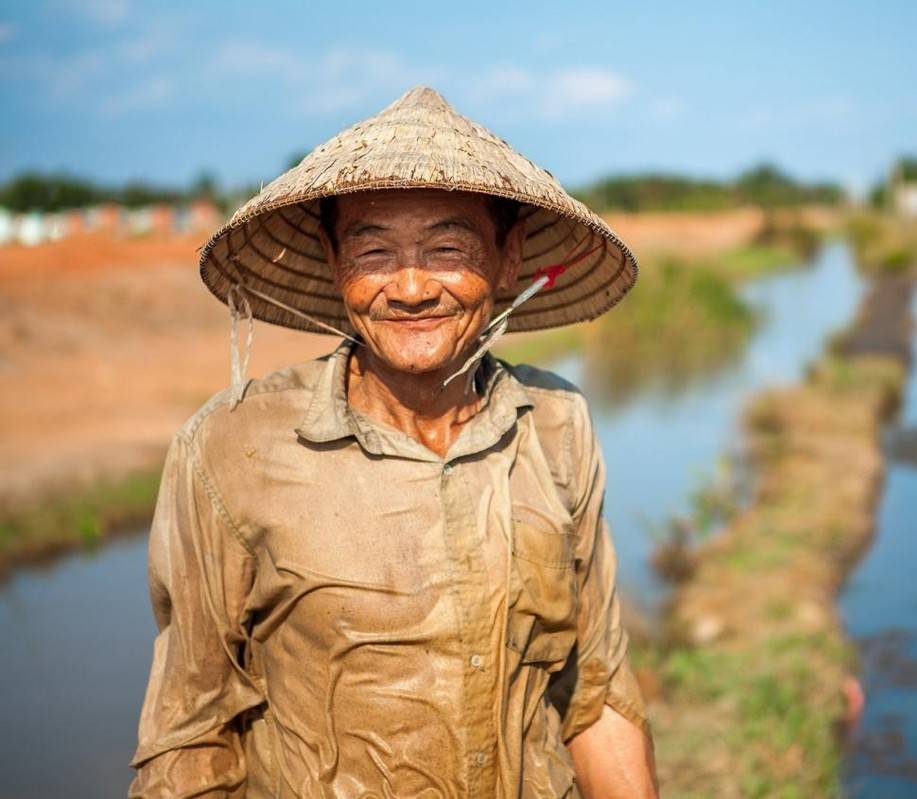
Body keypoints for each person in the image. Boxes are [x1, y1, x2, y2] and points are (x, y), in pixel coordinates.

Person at [128, 86, 657, 798]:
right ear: (334, 262)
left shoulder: (556, 423)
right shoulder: (230, 447)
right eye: (373, 249)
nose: (410, 287)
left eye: (448, 247)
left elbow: (595, 688)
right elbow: (188, 739)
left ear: (509, 258)